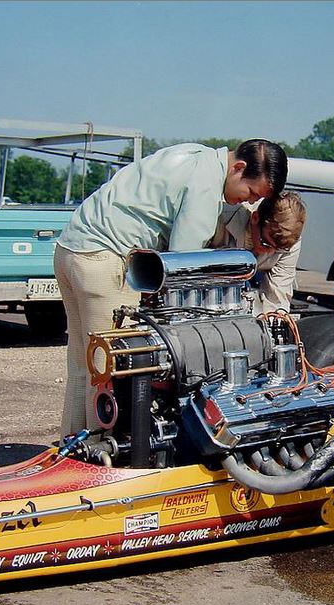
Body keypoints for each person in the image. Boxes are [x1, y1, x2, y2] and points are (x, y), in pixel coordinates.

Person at [55, 139, 288, 438]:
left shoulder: (195, 154)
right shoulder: (206, 187)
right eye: (251, 192)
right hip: (105, 259)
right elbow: (181, 262)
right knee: (113, 370)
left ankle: (71, 444)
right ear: (238, 168)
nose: (247, 202)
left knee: (84, 363)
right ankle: (100, 453)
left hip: (71, 249)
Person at [208, 191, 306, 313]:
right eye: (266, 243)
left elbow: (278, 295)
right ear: (255, 218)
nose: (270, 251)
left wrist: (274, 319)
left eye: (278, 249)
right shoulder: (219, 217)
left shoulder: (289, 243)